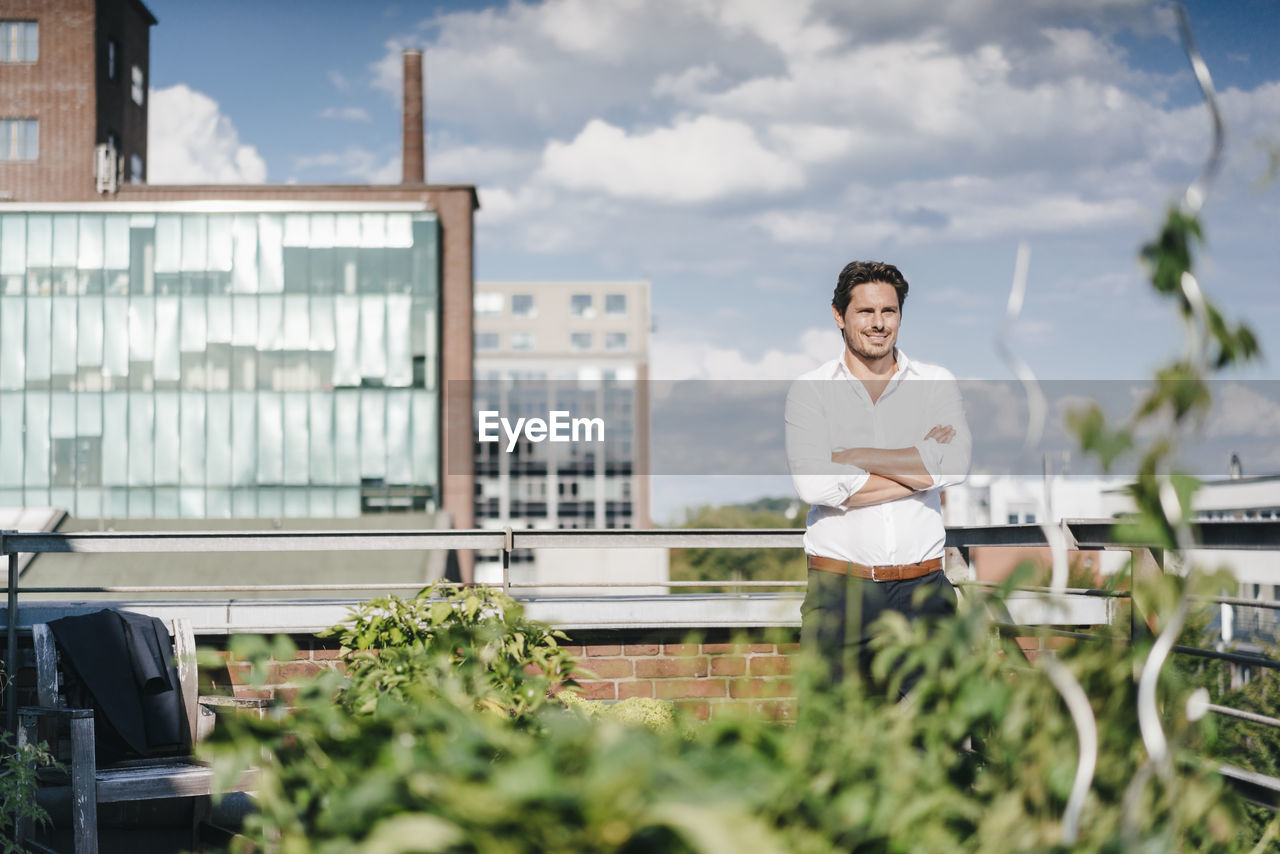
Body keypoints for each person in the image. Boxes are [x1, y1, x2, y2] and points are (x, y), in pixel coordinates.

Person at [784, 260, 971, 697]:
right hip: (841, 595)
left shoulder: (935, 382)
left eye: (889, 311)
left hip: (925, 592)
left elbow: (955, 465)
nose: (878, 323)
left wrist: (852, 457)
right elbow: (814, 486)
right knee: (834, 743)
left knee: (934, 740)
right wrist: (921, 470)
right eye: (865, 312)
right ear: (839, 315)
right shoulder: (811, 390)